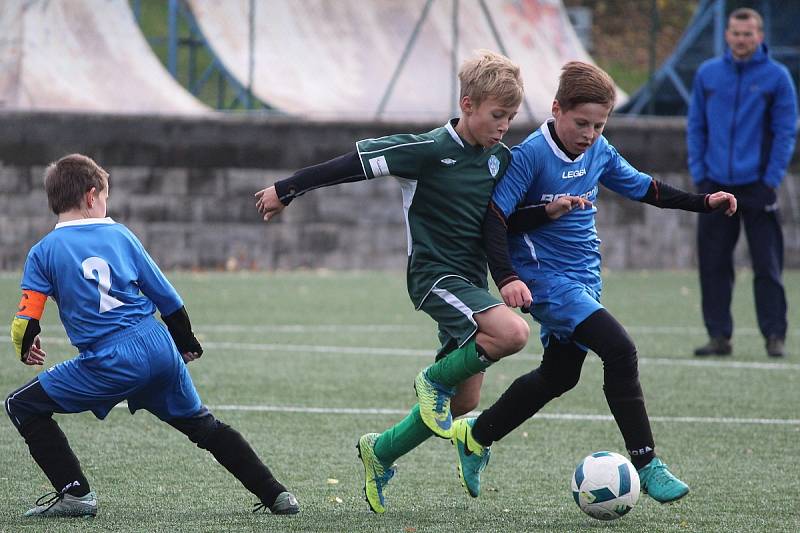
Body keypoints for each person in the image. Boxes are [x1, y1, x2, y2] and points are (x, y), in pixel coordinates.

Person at [447, 61, 738, 505]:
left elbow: (647, 189)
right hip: (543, 279)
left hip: (585, 276)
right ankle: (647, 463)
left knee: (559, 375)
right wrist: (506, 278)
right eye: (581, 123)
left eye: (598, 125)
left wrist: (705, 201)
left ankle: (477, 435)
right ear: (556, 109)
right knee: (619, 349)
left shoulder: (599, 150)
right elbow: (495, 219)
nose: (589, 133)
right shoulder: (529, 156)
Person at [254, 50, 530, 513]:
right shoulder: (425, 150)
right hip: (433, 276)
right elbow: (350, 166)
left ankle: (380, 452)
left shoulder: (499, 160)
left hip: (471, 286)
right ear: (467, 104)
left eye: (511, 117)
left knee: (464, 402)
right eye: (497, 115)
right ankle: (430, 379)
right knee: (513, 333)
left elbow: (502, 222)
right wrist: (287, 188)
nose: (504, 126)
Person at [5, 154, 299, 518]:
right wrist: (186, 343)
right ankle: (277, 496)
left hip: (108, 360)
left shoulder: (43, 252)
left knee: (21, 404)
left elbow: (24, 322)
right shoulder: (122, 235)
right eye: (106, 198)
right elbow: (168, 299)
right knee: (204, 426)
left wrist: (25, 347)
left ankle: (76, 494)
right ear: (92, 196)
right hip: (158, 345)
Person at [687, 7, 797, 358]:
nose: (741, 39)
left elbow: (785, 132)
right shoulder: (707, 75)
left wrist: (771, 179)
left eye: (748, 34)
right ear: (727, 36)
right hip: (714, 184)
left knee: (767, 264)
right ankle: (719, 336)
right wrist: (700, 174)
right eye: (736, 33)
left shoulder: (777, 78)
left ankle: (774, 336)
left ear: (760, 37)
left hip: (758, 186)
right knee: (713, 264)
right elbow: (696, 128)